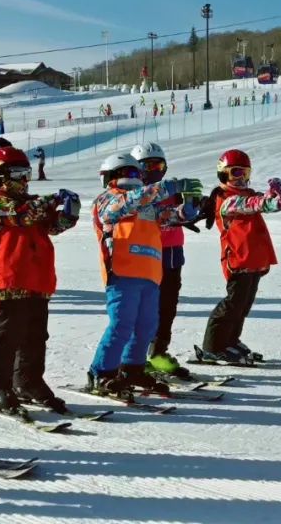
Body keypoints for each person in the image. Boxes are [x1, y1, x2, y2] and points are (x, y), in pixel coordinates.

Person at [86, 153, 201, 396]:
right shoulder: (108, 199)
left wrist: (184, 212)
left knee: (147, 326)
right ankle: (101, 372)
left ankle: (132, 368)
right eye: (126, 173)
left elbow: (164, 218)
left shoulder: (145, 205)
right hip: (122, 269)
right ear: (110, 177)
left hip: (149, 271)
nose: (132, 178)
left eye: (135, 173)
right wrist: (169, 186)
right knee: (122, 324)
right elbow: (122, 206)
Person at [0, 146, 79, 413]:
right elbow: (19, 215)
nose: (24, 179)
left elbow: (52, 226)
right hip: (9, 279)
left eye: (27, 173)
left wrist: (68, 214)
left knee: (35, 335)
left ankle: (28, 381)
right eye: (19, 173)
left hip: (37, 279)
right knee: (7, 334)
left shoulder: (28, 202)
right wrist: (50, 199)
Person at [198, 150, 281, 364]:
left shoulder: (245, 194)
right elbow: (250, 205)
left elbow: (260, 202)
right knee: (233, 303)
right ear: (223, 174)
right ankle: (212, 346)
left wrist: (277, 200)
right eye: (236, 172)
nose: (241, 177)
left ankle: (230, 340)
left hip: (254, 260)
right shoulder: (226, 200)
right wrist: (266, 201)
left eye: (245, 172)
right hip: (238, 260)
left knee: (243, 305)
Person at [129, 143, 193, 380]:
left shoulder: (172, 191)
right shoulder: (135, 194)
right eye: (148, 166)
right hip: (146, 254)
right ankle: (135, 356)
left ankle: (158, 351)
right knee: (145, 308)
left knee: (168, 306)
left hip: (173, 252)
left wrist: (196, 205)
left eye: (159, 165)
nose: (154, 170)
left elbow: (187, 208)